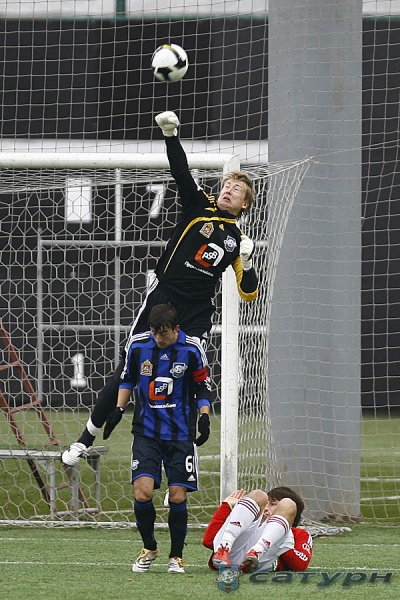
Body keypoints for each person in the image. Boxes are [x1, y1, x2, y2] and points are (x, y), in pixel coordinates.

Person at [62, 110, 258, 467]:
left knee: (189, 374)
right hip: (163, 298)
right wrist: (171, 135)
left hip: (197, 311)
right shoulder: (200, 206)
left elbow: (248, 291)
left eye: (237, 190)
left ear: (245, 204)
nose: (228, 190)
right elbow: (180, 171)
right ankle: (84, 440)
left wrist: (247, 259)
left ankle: (185, 460)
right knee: (128, 367)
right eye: (227, 186)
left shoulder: (237, 240)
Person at [105, 304, 212, 574]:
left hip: (180, 434)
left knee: (177, 496)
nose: (158, 338)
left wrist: (204, 417)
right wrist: (118, 409)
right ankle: (149, 547)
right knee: (142, 492)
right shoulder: (138, 345)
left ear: (176, 329)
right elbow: (128, 379)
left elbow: (202, 386)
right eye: (154, 332)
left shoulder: (192, 349)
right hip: (146, 432)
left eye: (163, 333)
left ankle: (176, 556)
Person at [203, 486, 313, 574]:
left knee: (288, 503)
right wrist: (227, 507)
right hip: (228, 559)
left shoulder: (299, 534)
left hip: (257, 563)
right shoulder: (250, 524)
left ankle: (256, 552)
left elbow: (300, 565)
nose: (266, 508)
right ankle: (224, 548)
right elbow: (208, 541)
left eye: (273, 504)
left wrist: (281, 539)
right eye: (267, 504)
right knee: (258, 495)